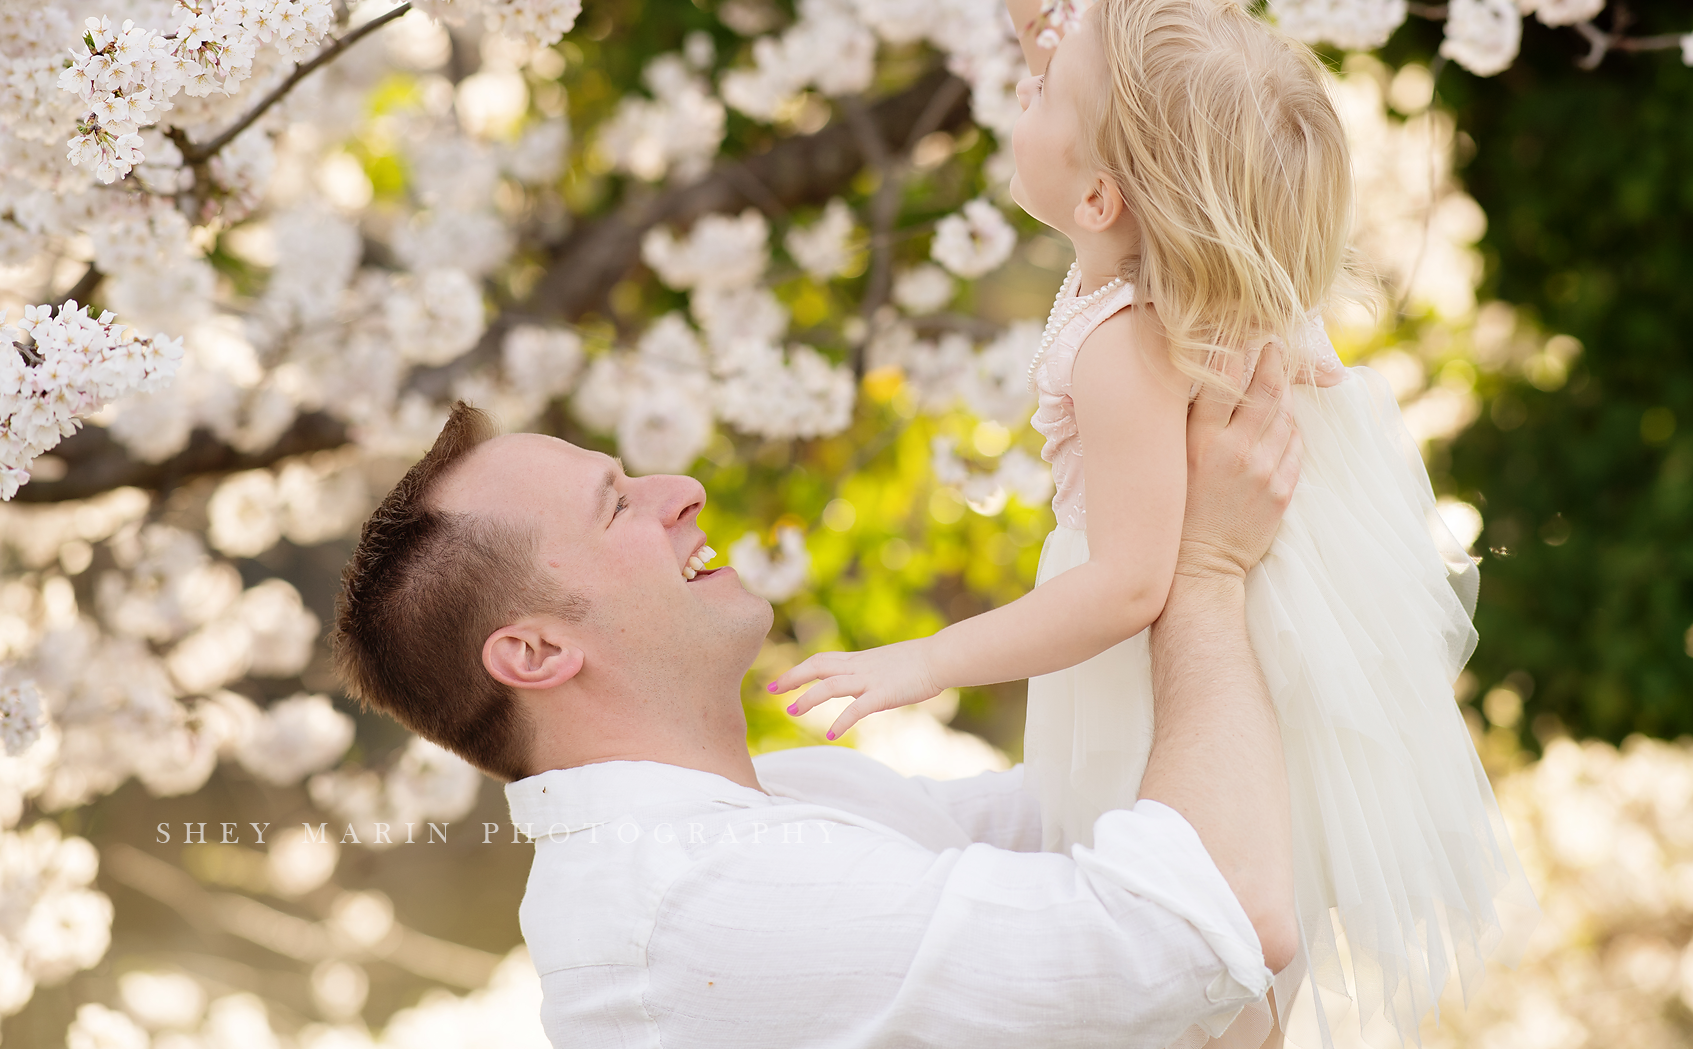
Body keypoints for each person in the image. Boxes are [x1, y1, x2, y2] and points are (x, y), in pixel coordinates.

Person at [765, 0, 1539, 1045]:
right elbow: (1059, 20)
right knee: (1215, 944)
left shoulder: (1124, 347)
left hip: (1184, 651)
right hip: (1256, 629)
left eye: (1038, 94)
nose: (1025, 76)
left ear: (1095, 194)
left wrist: (926, 659)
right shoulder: (1176, 255)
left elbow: (1129, 585)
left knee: (1199, 945)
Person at [332, 347, 1308, 1049]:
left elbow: (1097, 805)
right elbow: (1212, 915)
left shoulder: (790, 802)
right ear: (537, 651)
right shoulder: (699, 905)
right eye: (616, 504)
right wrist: (1205, 564)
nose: (680, 489)